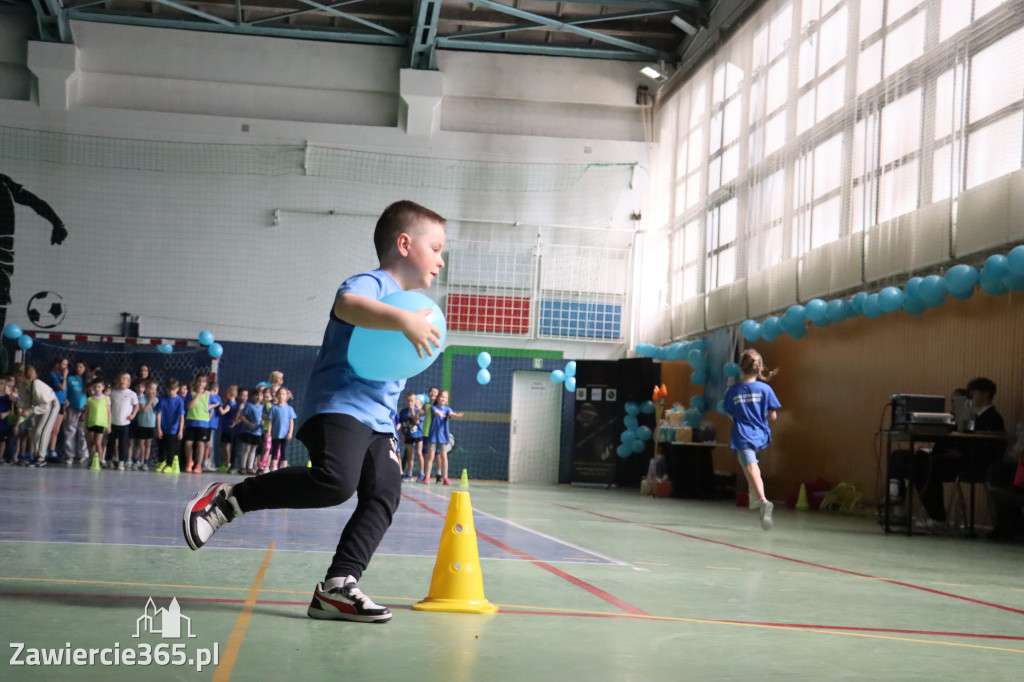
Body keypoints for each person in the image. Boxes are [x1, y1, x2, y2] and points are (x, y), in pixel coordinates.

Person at [183, 199, 446, 624]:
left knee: (384, 492)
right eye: (435, 248)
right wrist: (402, 321)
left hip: (380, 421)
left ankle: (338, 586)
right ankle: (230, 500)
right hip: (339, 405)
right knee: (335, 483)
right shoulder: (374, 284)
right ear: (403, 244)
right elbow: (347, 305)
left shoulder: (416, 308)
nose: (440, 260)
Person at [892, 377, 1006, 528]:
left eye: (974, 393)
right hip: (950, 457)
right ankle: (895, 496)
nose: (971, 396)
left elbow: (990, 449)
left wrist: (962, 454)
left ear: (985, 394)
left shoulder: (993, 418)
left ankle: (937, 516)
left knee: (929, 465)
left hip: (971, 463)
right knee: (902, 456)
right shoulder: (967, 415)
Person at [0, 174, 68, 331]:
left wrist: (57, 223)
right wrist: (58, 224)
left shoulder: (3, 183)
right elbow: (34, 201)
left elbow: (33, 201)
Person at [723, 349, 781, 531]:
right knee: (749, 465)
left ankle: (763, 500)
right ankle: (754, 494)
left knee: (751, 466)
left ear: (740, 369)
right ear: (759, 369)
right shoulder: (766, 389)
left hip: (743, 434)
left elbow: (730, 415)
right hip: (761, 433)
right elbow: (773, 417)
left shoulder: (733, 391)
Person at [424, 390, 463, 485]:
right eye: (441, 397)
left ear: (447, 400)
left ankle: (445, 477)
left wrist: (456, 415)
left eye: (445, 398)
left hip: (443, 436)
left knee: (443, 457)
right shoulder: (433, 407)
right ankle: (427, 476)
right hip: (433, 435)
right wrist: (440, 414)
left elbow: (451, 414)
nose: (443, 399)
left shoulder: (448, 409)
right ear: (438, 398)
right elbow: (436, 412)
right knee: (431, 456)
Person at [107, 371, 139, 470]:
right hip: (113, 422)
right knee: (111, 443)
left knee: (123, 443)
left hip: (124, 423)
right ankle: (109, 460)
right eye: (120, 379)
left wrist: (133, 414)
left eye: (124, 379)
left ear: (128, 382)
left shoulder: (132, 394)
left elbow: (136, 405)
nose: (122, 381)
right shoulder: (113, 393)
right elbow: (107, 406)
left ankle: (121, 461)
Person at [182, 372, 213, 473]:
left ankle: (198, 465)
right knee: (188, 443)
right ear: (195, 382)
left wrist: (209, 414)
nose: (201, 383)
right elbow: (189, 406)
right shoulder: (190, 393)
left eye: (203, 382)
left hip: (203, 423)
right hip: (191, 422)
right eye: (199, 381)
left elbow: (217, 404)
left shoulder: (209, 394)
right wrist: (198, 394)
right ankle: (189, 462)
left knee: (200, 444)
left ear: (206, 384)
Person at [61, 361, 89, 465]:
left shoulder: (88, 381)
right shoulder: (70, 379)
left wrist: (86, 408)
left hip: (84, 410)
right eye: (77, 366)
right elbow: (65, 392)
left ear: (85, 368)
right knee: (70, 431)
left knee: (82, 433)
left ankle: (83, 456)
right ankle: (70, 455)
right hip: (71, 408)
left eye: (81, 366)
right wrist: (65, 407)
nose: (79, 369)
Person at [155, 378, 185, 473]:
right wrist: (159, 428)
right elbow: (158, 414)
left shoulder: (179, 401)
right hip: (163, 428)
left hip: (173, 429)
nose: (171, 392)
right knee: (161, 447)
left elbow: (181, 416)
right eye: (169, 390)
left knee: (170, 447)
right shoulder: (162, 400)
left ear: (177, 389)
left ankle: (169, 464)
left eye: (173, 389)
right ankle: (161, 462)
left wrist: (180, 430)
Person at [232, 385, 264, 475]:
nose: (259, 397)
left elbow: (264, 417)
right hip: (248, 432)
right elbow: (242, 416)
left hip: (257, 432)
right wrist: (248, 424)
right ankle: (243, 467)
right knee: (246, 449)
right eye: (256, 395)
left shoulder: (262, 407)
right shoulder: (249, 405)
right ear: (252, 396)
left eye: (261, 395)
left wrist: (263, 422)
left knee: (253, 449)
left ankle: (250, 467)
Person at [132, 379, 159, 471]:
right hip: (142, 425)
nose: (153, 391)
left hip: (151, 425)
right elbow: (144, 410)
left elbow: (157, 410)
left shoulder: (156, 400)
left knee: (148, 444)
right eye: (151, 389)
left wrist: (153, 401)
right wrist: (150, 400)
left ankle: (145, 462)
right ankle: (135, 461)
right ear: (146, 389)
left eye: (155, 389)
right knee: (140, 444)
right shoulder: (141, 398)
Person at [397, 391, 424, 480]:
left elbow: (416, 421)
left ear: (415, 401)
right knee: (410, 455)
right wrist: (402, 433)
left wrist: (413, 411)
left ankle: (422, 473)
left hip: (418, 435)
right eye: (408, 401)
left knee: (419, 453)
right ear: (406, 400)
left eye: (412, 401)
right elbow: (401, 423)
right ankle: (409, 473)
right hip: (409, 436)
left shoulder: (418, 411)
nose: (410, 403)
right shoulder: (403, 412)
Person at [46, 358, 68, 461]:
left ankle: (52, 450)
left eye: (66, 365)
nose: (65, 367)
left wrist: (66, 401)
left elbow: (64, 392)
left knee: (56, 430)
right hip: (53, 403)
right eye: (63, 364)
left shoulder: (62, 377)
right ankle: (44, 450)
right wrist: (64, 377)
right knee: (50, 428)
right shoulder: (54, 375)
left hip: (61, 404)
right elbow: (62, 388)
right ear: (58, 364)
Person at [268, 387, 296, 471]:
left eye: (283, 394)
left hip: (285, 435)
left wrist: (290, 432)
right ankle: (273, 469)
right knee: (274, 452)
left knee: (284, 452)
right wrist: (269, 431)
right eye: (279, 394)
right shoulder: (273, 408)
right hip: (276, 434)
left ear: (286, 396)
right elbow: (270, 421)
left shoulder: (289, 409)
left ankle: (283, 470)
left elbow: (291, 422)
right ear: (276, 395)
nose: (281, 396)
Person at [84, 379, 110, 466]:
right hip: (91, 423)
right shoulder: (90, 399)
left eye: (99, 387)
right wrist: (85, 425)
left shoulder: (106, 399)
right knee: (91, 442)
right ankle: (92, 459)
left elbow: (108, 413)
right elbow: (87, 413)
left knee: (98, 442)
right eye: (95, 387)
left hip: (101, 423)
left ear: (103, 387)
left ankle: (101, 459)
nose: (97, 388)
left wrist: (109, 425)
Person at [417, 386, 439, 482]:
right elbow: (423, 414)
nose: (433, 393)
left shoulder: (439, 406)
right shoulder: (426, 405)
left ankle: (439, 474)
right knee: (425, 454)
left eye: (435, 392)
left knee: (437, 455)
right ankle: (426, 474)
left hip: (435, 433)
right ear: (428, 394)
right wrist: (418, 410)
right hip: (426, 432)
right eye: (431, 392)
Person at [216, 385, 238, 473]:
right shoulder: (228, 404)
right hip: (225, 429)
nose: (225, 394)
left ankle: (228, 464)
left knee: (226, 446)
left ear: (232, 394)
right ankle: (226, 462)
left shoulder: (233, 405)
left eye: (227, 392)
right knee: (223, 446)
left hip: (230, 430)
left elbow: (224, 413)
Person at [203, 382, 223, 471]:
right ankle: (205, 462)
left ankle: (205, 462)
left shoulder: (206, 396)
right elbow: (221, 411)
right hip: (208, 423)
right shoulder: (215, 397)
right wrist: (228, 408)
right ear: (216, 390)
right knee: (207, 444)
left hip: (206, 423)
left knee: (206, 443)